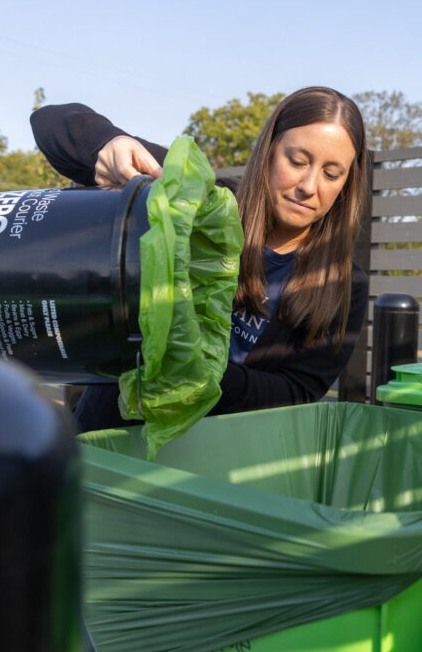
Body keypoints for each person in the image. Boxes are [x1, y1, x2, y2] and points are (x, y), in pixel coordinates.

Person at [30, 87, 370, 431]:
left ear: (347, 183)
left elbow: (298, 391)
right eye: (297, 161)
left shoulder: (344, 285)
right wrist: (106, 143)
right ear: (269, 151)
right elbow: (49, 122)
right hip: (109, 433)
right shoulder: (203, 200)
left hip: (217, 463)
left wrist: (194, 370)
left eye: (331, 174)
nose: (309, 186)